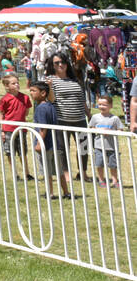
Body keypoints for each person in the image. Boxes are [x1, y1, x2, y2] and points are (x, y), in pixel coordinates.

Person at [46, 51, 91, 183]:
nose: (61, 64)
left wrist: (89, 115)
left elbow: (82, 99)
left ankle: (82, 173)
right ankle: (66, 173)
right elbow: (51, 100)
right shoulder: (50, 80)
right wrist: (49, 88)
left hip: (80, 119)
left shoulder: (74, 79)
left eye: (63, 62)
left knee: (83, 147)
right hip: (62, 120)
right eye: (57, 62)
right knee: (63, 148)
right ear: (52, 65)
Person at [29, 81, 73, 200]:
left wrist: (39, 143)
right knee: (59, 171)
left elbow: (43, 127)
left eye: (33, 91)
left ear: (43, 93)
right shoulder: (50, 105)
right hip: (55, 144)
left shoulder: (41, 108)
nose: (31, 93)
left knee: (47, 171)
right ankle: (66, 192)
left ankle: (50, 193)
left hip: (46, 145)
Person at [0, 73, 33, 181]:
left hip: (21, 128)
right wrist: (2, 130)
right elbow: (2, 115)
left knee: (22, 151)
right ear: (7, 86)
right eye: (14, 83)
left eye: (17, 83)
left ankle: (27, 173)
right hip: (8, 129)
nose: (17, 85)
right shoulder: (5, 99)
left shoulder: (25, 98)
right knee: (10, 152)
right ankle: (15, 174)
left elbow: (26, 112)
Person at [88, 96, 122, 188]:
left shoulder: (115, 118)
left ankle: (115, 181)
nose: (102, 106)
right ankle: (101, 180)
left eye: (104, 105)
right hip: (99, 146)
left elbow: (120, 130)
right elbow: (91, 128)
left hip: (112, 146)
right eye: (99, 104)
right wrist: (98, 130)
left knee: (113, 165)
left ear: (110, 106)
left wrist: (110, 132)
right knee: (99, 164)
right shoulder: (95, 117)